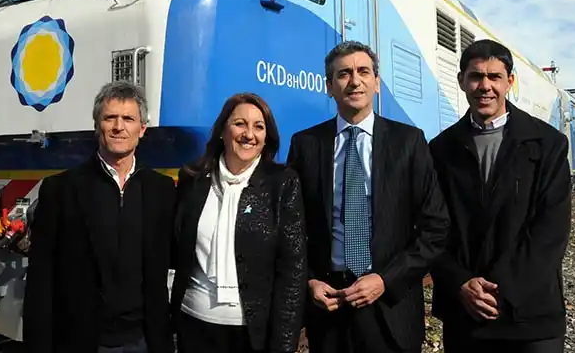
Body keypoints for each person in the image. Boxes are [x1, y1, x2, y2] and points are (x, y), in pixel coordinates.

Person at [287, 40, 450, 353]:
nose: (354, 81)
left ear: (376, 83)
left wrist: (385, 280)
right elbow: (291, 227)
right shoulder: (306, 145)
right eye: (343, 74)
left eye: (363, 72)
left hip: (390, 308)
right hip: (328, 306)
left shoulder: (409, 142)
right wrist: (309, 281)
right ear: (329, 87)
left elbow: (436, 227)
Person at [427, 39, 572, 353]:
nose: (485, 86)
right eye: (476, 76)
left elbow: (551, 230)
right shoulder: (440, 149)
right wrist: (460, 283)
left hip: (531, 316)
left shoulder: (547, 143)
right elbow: (433, 228)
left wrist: (500, 291)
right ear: (461, 81)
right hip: (465, 314)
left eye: (494, 76)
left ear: (510, 82)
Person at [23, 81, 176, 353]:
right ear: (97, 126)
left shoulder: (161, 190)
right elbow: (40, 279)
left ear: (142, 129)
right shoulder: (61, 190)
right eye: (110, 118)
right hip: (80, 340)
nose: (119, 126)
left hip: (144, 340)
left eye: (128, 119)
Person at [170, 92, 307, 353]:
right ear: (223, 130)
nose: (249, 134)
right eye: (240, 124)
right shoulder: (193, 179)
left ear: (267, 137)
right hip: (194, 325)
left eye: (259, 127)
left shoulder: (282, 183)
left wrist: (283, 344)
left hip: (253, 333)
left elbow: (292, 271)